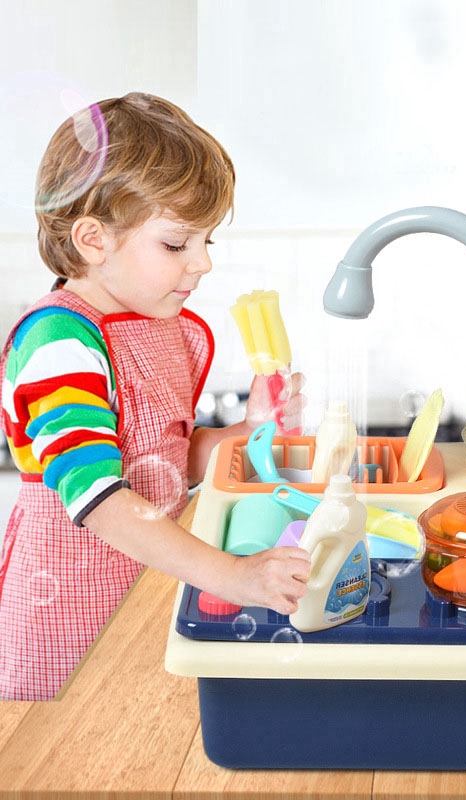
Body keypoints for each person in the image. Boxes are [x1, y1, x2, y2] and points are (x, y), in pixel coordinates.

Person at [0, 93, 311, 701]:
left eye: (207, 242)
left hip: (145, 598)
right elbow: (102, 498)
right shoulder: (58, 342)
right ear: (93, 239)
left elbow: (162, 463)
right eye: (176, 245)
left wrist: (244, 435)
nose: (202, 264)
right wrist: (235, 575)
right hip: (66, 621)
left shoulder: (158, 324)